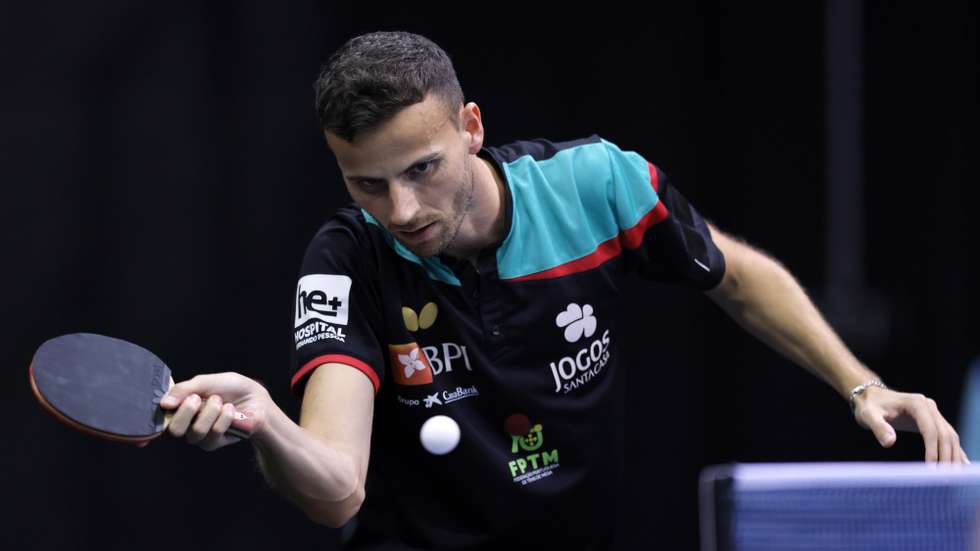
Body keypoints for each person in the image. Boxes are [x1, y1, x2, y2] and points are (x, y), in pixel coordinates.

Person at [158, 31, 968, 549]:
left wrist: (860, 383)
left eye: (422, 169)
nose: (401, 210)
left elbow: (737, 274)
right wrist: (264, 421)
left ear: (470, 127)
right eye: (368, 182)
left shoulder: (593, 185)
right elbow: (337, 492)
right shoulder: (346, 261)